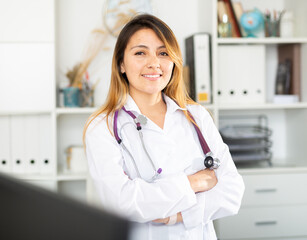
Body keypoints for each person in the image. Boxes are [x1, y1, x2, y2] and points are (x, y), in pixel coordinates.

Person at [83, 14, 244, 240]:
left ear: (173, 61)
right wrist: (194, 182)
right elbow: (122, 203)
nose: (154, 63)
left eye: (163, 53)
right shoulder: (103, 127)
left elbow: (232, 192)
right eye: (140, 53)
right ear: (121, 63)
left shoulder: (196, 116)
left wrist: (174, 216)